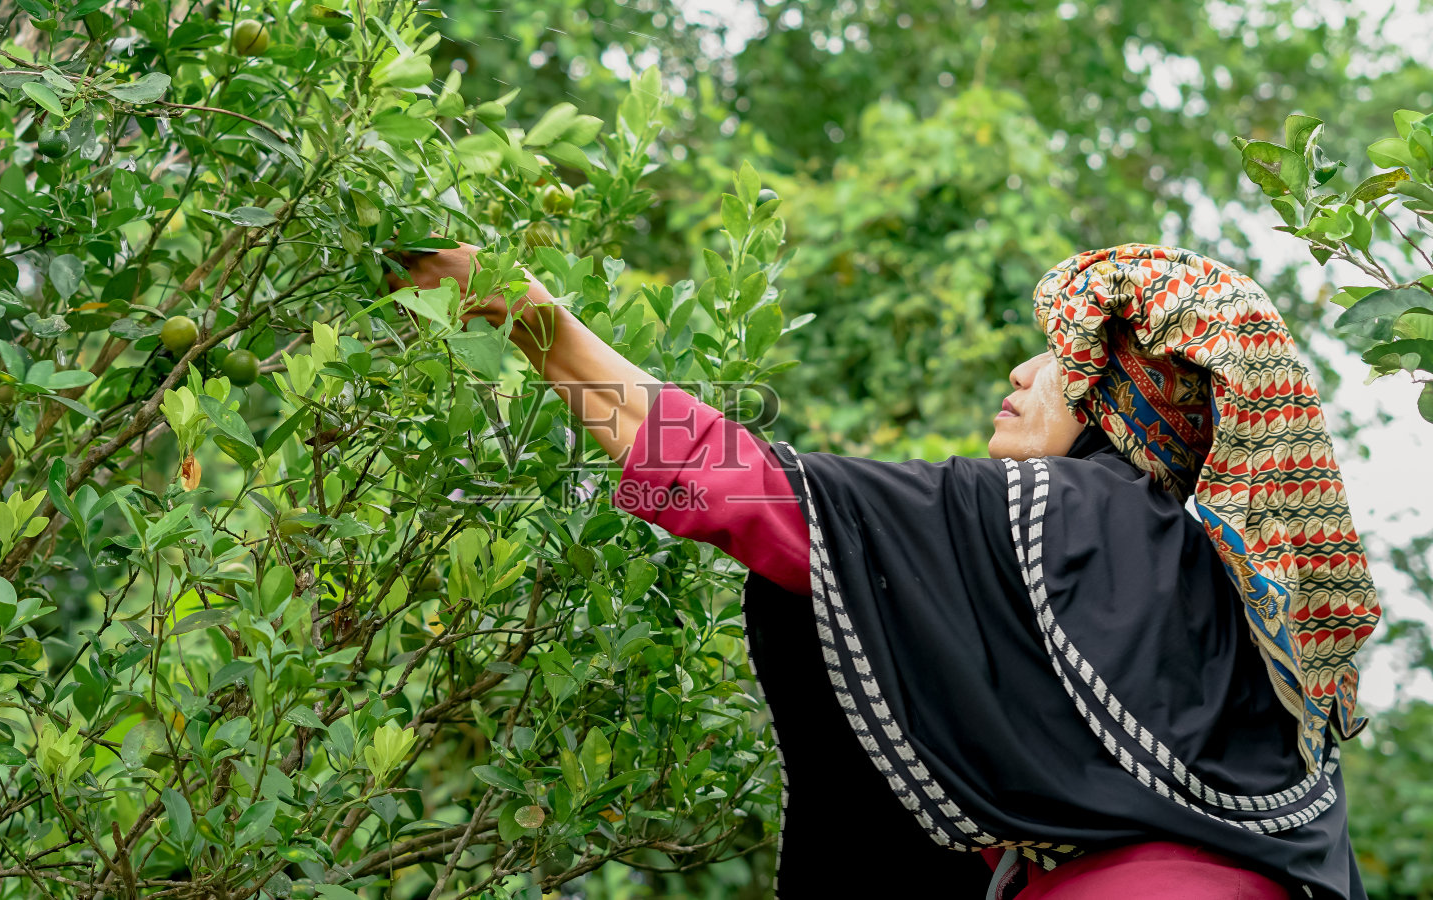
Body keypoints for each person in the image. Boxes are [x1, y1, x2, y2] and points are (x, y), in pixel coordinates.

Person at [388, 242, 1379, 899]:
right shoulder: (1243, 604)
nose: (1020, 376)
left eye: (1057, 358)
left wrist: (537, 322)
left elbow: (755, 499)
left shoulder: (1073, 517)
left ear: (1122, 391)